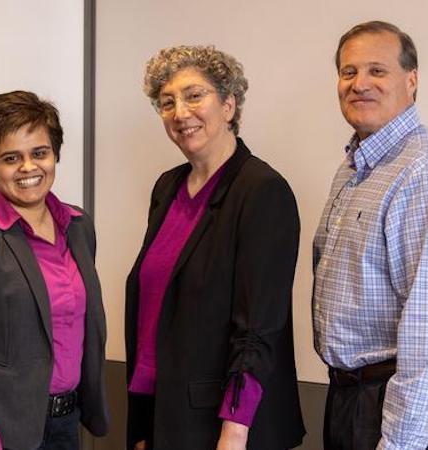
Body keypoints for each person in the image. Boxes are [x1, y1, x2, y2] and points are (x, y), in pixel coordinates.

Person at [125, 45, 305, 450]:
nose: (180, 112)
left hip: (223, 427)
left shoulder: (262, 191)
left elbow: (258, 328)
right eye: (167, 102)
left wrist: (234, 431)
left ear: (228, 104)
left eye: (194, 96)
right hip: (162, 411)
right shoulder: (167, 187)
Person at [312, 21, 428, 450]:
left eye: (377, 70)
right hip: (352, 396)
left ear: (412, 80)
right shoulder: (355, 168)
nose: (359, 84)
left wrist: (399, 443)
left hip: (400, 404)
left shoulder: (425, 171)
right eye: (348, 72)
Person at [0, 90, 109, 450]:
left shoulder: (78, 226)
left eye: (40, 153)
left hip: (66, 424)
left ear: (55, 155)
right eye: (11, 158)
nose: (28, 167)